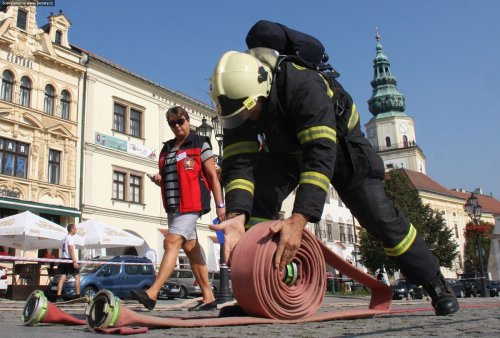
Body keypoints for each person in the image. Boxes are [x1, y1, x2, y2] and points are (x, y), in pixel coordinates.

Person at [208, 30, 458, 316]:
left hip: (341, 149)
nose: (244, 120)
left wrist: (300, 218)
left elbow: (319, 155)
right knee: (256, 204)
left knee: (380, 218)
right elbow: (239, 164)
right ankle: (256, 293)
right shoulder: (237, 100)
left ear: (262, 88)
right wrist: (238, 215)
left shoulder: (303, 86)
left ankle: (435, 284)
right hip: (287, 150)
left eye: (247, 113)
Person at [131, 106, 225, 311]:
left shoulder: (200, 143)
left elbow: (212, 177)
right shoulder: (167, 149)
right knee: (191, 249)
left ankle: (152, 293)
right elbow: (171, 177)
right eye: (173, 123)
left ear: (188, 120)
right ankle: (209, 297)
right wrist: (160, 180)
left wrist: (220, 206)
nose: (177, 126)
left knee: (171, 241)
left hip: (192, 204)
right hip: (173, 205)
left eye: (180, 121)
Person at [55, 224, 80, 302]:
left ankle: (58, 296)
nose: (76, 230)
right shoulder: (70, 238)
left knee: (62, 278)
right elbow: (71, 250)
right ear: (72, 229)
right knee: (77, 277)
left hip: (63, 259)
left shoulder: (64, 238)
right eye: (75, 228)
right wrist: (74, 261)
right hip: (69, 260)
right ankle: (78, 296)